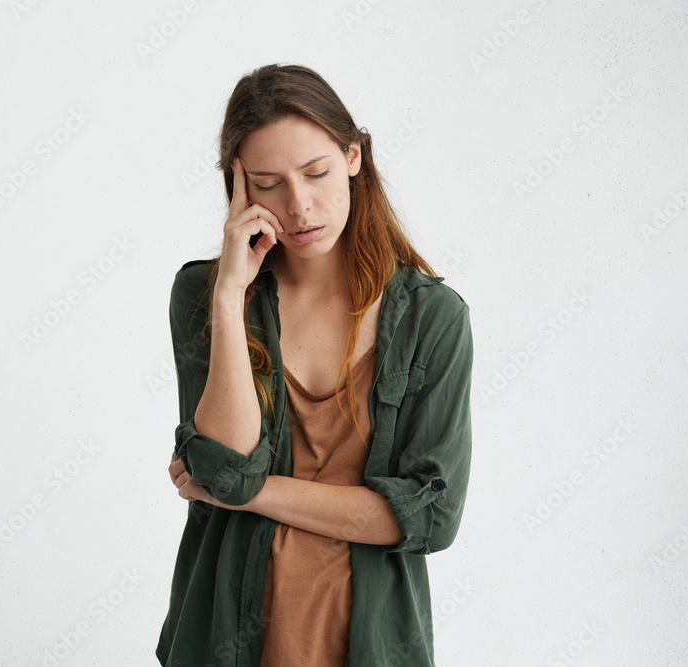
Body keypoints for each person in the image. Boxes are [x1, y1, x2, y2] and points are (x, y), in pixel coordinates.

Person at [158, 63, 474, 667]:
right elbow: (225, 467)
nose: (299, 206)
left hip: (371, 646)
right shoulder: (205, 295)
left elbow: (431, 514)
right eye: (269, 182)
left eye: (317, 172)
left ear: (353, 157)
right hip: (224, 641)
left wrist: (250, 493)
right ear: (238, 185)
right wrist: (229, 299)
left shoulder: (433, 320)